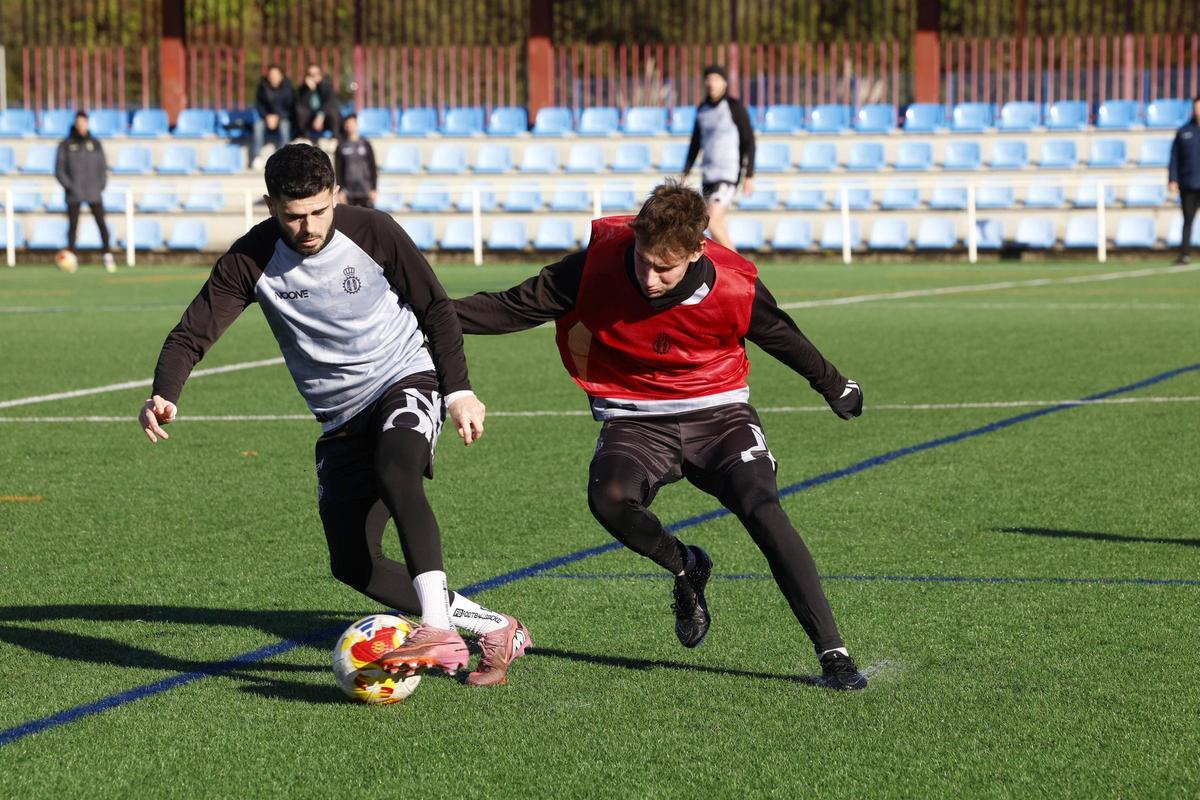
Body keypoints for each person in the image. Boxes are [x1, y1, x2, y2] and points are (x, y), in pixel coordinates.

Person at [138, 143, 530, 687]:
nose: (307, 227)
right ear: (271, 205)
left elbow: (436, 308)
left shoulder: (373, 231)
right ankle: (494, 627)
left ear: (335, 196)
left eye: (319, 211)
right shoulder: (249, 259)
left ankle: (436, 628)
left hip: (404, 379)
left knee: (398, 472)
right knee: (353, 564)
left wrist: (458, 391)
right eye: (293, 216)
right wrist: (166, 392)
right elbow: (192, 332)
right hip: (339, 417)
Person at [454, 180, 867, 691]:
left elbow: (783, 336)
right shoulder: (594, 266)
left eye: (664, 268)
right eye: (643, 260)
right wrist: (431, 314)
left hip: (720, 416)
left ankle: (833, 652)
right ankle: (685, 566)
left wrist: (834, 385)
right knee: (607, 500)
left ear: (698, 249)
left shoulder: (736, 286)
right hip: (635, 419)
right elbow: (512, 307)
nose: (649, 278)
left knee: (762, 508)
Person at [681, 65, 755, 251]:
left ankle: (741, 271)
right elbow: (695, 142)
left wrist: (749, 175)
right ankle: (729, 272)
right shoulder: (702, 110)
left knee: (711, 221)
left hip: (728, 173)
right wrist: (686, 171)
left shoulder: (733, 107)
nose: (712, 83)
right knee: (717, 227)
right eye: (709, 79)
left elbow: (749, 140)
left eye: (716, 79)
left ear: (724, 82)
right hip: (708, 174)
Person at [55, 111, 115, 272]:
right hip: (74, 193)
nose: (81, 126)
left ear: (87, 123)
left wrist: (100, 185)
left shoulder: (95, 144)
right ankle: (72, 257)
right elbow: (59, 170)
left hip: (94, 191)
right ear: (75, 124)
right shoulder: (66, 144)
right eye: (79, 123)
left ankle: (107, 255)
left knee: (101, 223)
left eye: (84, 122)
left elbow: (103, 167)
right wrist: (69, 186)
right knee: (73, 226)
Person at [1168, 96, 1200, 265]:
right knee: (1187, 220)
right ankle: (1184, 254)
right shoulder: (1184, 131)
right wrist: (1173, 179)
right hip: (1189, 184)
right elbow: (1174, 158)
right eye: (1197, 107)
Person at [252, 65, 295, 164]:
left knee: (285, 126)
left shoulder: (288, 88)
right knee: (257, 126)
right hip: (266, 118)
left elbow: (291, 107)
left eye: (276, 75)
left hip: (283, 118)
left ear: (281, 76)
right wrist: (267, 116)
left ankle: (284, 157)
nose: (273, 77)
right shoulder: (262, 87)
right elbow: (259, 105)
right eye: (271, 75)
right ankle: (257, 157)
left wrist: (278, 117)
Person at [335, 114, 378, 208]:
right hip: (349, 192)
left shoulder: (366, 144)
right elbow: (338, 170)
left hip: (365, 190)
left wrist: (374, 189)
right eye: (348, 123)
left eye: (352, 123)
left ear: (357, 124)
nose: (350, 125)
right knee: (350, 221)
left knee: (367, 220)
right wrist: (340, 191)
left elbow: (373, 167)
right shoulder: (341, 146)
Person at [295, 64, 341, 142]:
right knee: (300, 110)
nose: (314, 77)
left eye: (316, 74)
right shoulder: (303, 89)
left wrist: (320, 115)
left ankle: (335, 138)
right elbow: (302, 104)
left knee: (333, 111)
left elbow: (329, 102)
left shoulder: (327, 85)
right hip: (310, 119)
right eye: (311, 75)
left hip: (325, 118)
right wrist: (309, 90)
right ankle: (304, 137)